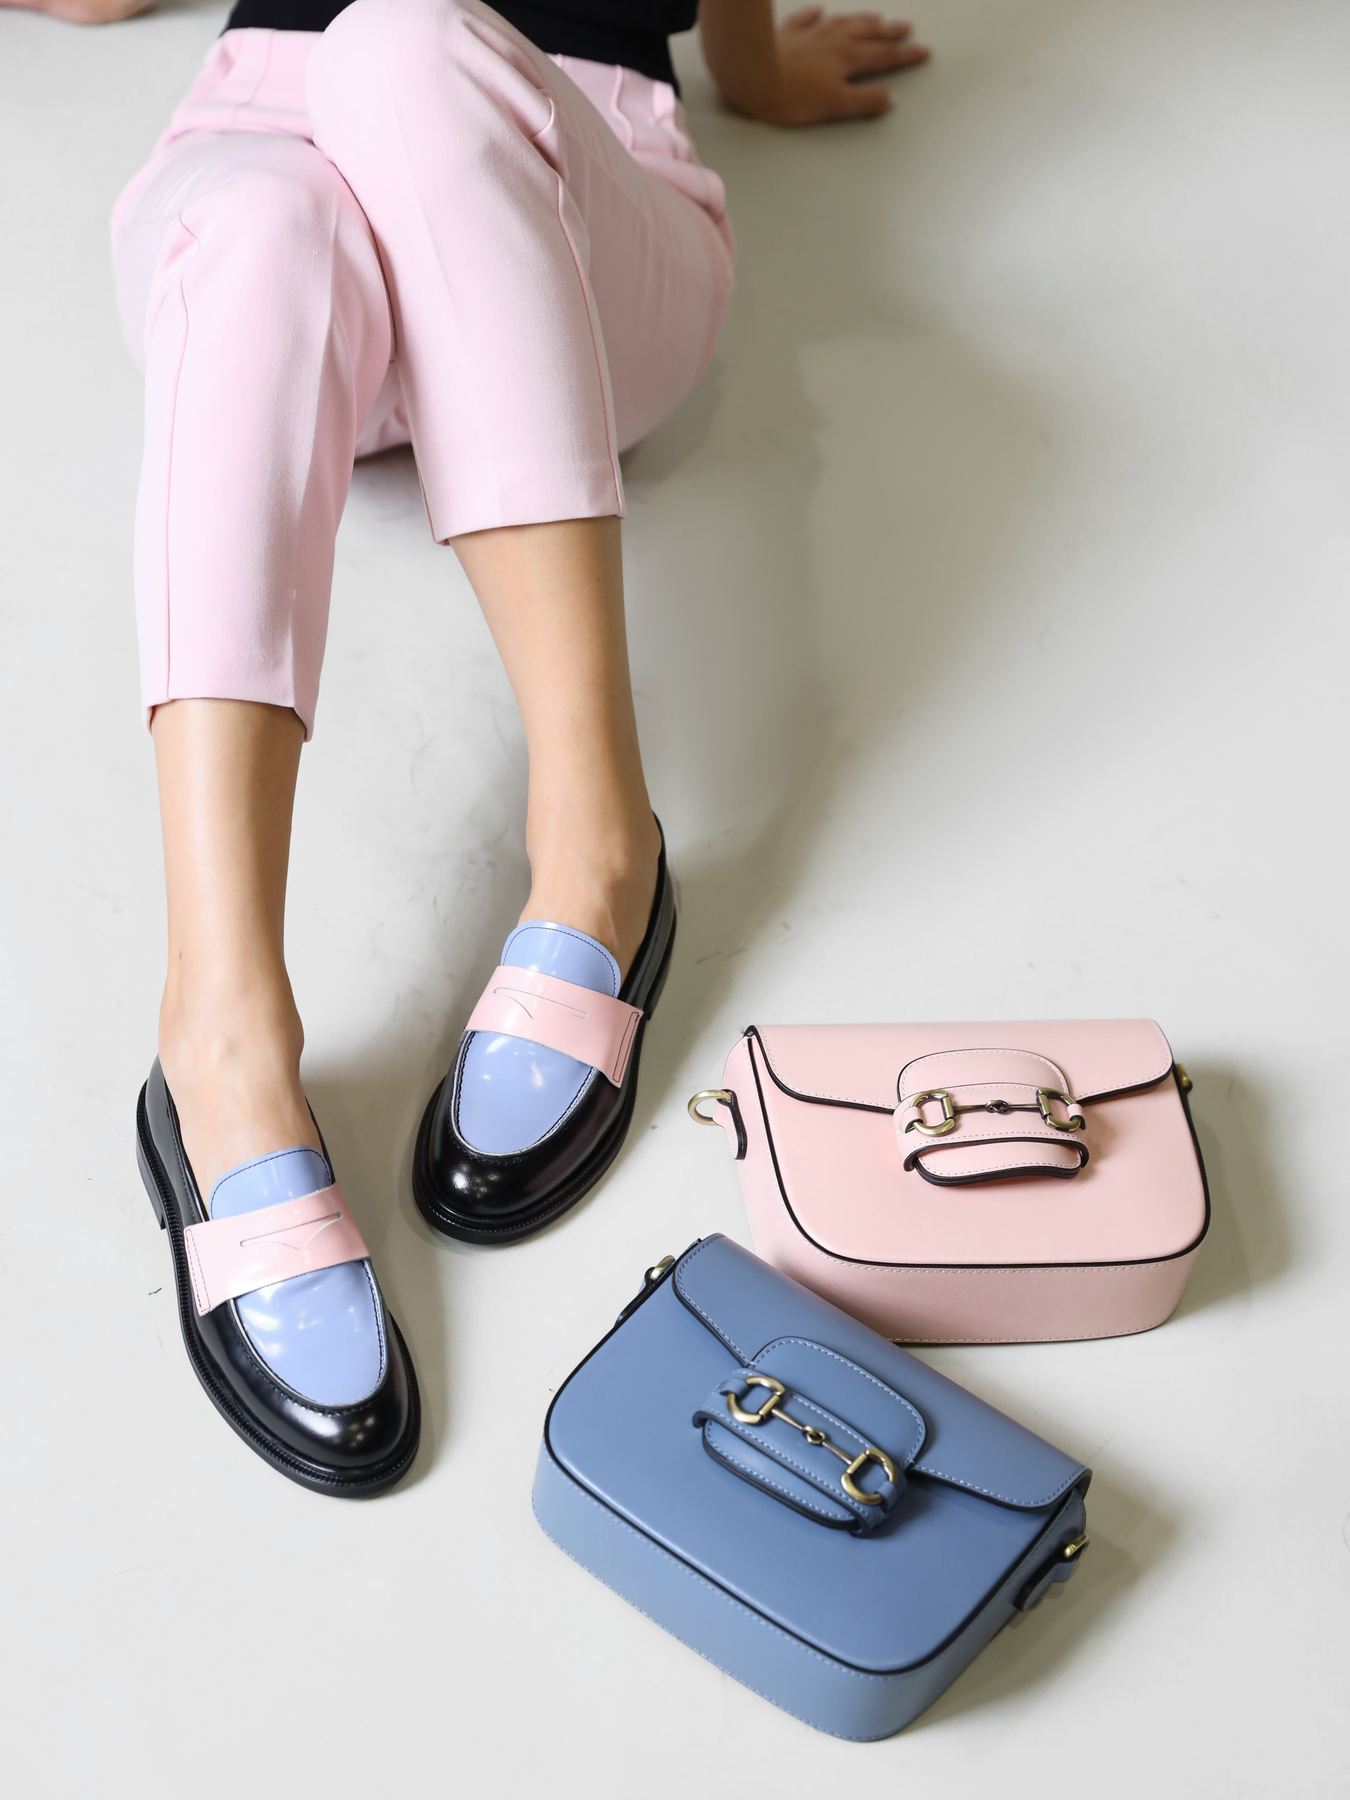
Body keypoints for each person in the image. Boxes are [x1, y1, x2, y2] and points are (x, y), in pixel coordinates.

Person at [63, 0, 930, 1492]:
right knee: (262, 218)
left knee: (405, 40)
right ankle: (220, 1032)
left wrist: (753, 65)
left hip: (556, 185)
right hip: (261, 148)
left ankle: (598, 850)